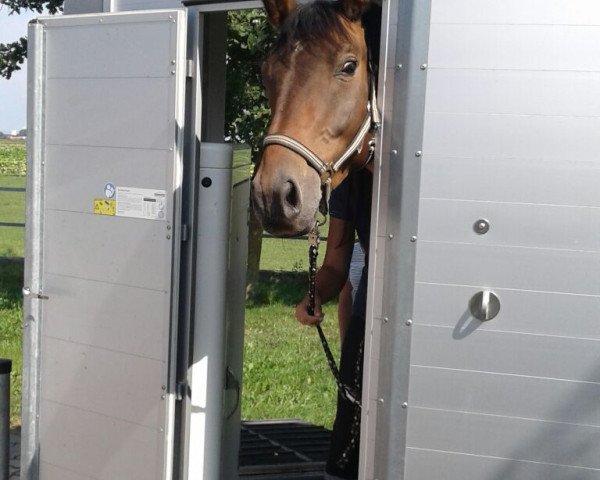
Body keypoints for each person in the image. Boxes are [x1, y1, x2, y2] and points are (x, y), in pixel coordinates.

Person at [295, 165, 372, 480]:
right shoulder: (350, 182)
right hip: (369, 318)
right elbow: (335, 267)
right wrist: (314, 295)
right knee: (347, 448)